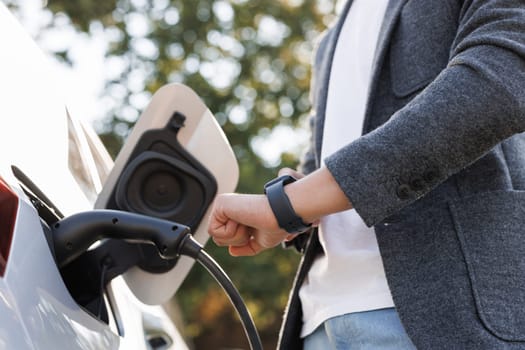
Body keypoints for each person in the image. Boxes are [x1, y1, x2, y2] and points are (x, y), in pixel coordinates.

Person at [208, 0, 525, 348]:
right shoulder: (330, 40)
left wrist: (293, 202)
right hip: (318, 321)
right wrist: (288, 214)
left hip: (445, 315)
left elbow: (506, 71)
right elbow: (320, 167)